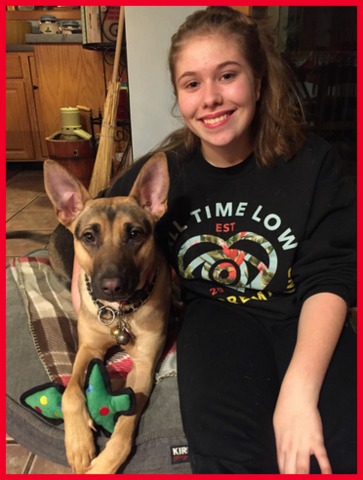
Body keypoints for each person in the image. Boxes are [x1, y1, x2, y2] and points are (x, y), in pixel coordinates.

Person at [72, 6, 356, 474]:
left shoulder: (314, 163)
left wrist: (299, 392)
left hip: (299, 313)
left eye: (227, 75)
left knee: (338, 450)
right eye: (191, 83)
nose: (210, 98)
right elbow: (89, 225)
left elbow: (332, 274)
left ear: (259, 81)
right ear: (179, 96)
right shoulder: (164, 170)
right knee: (231, 458)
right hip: (216, 319)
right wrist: (84, 292)